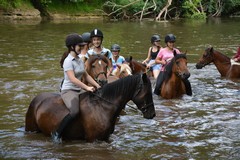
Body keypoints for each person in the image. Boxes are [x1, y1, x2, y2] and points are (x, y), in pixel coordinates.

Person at [52, 33, 101, 143]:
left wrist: (97, 86)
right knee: (74, 111)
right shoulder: (68, 61)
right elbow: (73, 79)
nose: (82, 48)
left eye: (83, 46)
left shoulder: (79, 59)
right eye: (80, 46)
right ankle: (57, 133)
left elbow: (86, 76)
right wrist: (87, 88)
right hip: (69, 90)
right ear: (72, 47)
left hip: (80, 89)